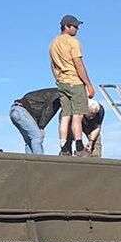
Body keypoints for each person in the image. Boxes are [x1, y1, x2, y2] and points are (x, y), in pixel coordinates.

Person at [47, 15, 95, 155]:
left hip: (62, 82)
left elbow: (52, 65)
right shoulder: (73, 42)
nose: (77, 29)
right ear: (66, 26)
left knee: (65, 115)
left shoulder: (53, 43)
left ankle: (64, 148)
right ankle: (79, 148)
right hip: (75, 81)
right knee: (77, 116)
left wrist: (58, 79)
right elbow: (78, 64)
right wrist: (88, 84)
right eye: (75, 26)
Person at [9, 87, 61, 154]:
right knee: (37, 136)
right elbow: (48, 110)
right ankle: (39, 162)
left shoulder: (52, 92)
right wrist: (41, 126)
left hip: (15, 110)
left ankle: (30, 162)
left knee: (29, 140)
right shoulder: (58, 96)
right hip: (21, 110)